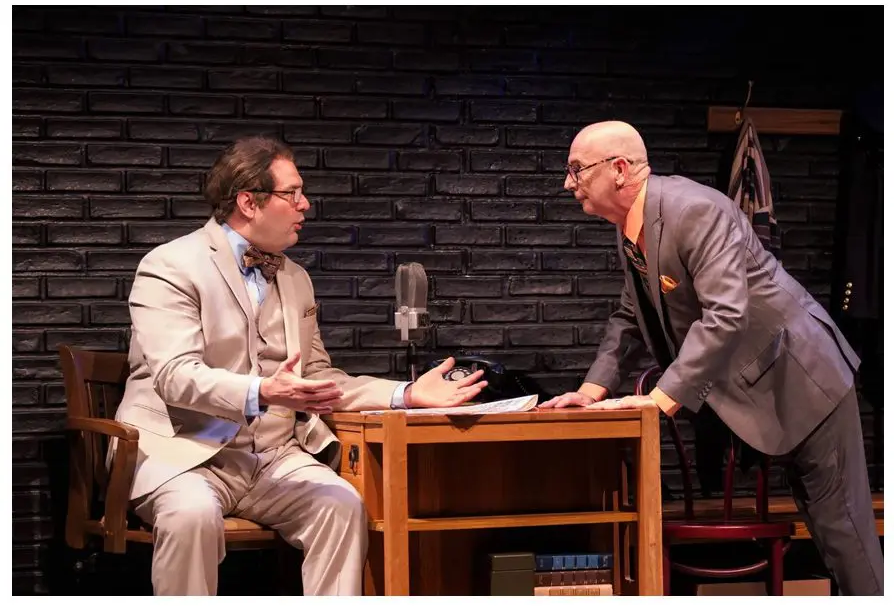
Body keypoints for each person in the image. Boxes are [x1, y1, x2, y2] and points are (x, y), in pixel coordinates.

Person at [115, 136, 487, 596]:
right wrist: (264, 391)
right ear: (249, 202)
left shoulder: (294, 277)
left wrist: (405, 395)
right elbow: (175, 375)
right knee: (191, 513)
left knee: (341, 504)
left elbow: (318, 376)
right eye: (292, 193)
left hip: (272, 456)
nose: (304, 204)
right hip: (185, 453)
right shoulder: (171, 266)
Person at [540, 121, 883, 595]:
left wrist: (658, 401)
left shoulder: (693, 210)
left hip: (804, 378)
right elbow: (628, 314)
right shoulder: (632, 228)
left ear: (619, 170)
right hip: (769, 387)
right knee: (834, 540)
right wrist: (589, 390)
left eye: (576, 169)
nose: (568, 183)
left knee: (846, 539)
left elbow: (726, 316)